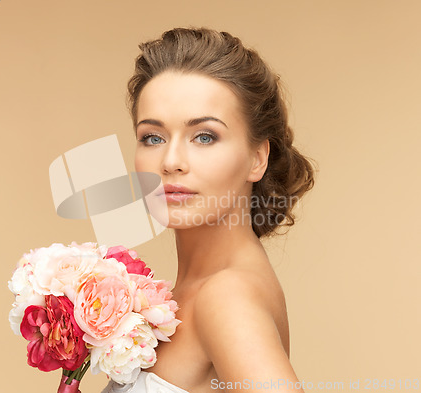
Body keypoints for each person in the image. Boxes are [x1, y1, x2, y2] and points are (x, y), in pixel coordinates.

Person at [102, 26, 316, 393]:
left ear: (257, 158)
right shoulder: (186, 294)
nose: (170, 162)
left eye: (204, 136)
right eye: (153, 137)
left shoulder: (226, 297)